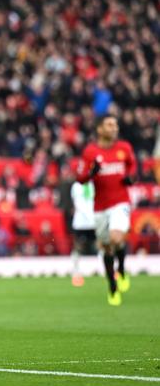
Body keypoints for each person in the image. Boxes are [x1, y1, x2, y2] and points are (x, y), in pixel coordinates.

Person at [76, 114, 136, 306]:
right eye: (109, 125)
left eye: (115, 125)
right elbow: (80, 178)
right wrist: (91, 173)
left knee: (116, 237)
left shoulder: (124, 148)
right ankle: (112, 285)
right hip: (100, 206)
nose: (114, 128)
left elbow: (133, 166)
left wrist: (131, 178)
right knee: (106, 246)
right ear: (99, 129)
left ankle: (123, 270)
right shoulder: (90, 151)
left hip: (121, 202)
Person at [69, 180, 96, 287]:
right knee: (78, 246)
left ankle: (110, 269)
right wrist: (90, 216)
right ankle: (76, 271)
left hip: (94, 221)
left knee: (102, 245)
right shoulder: (76, 186)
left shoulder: (94, 184)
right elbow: (77, 203)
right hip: (80, 222)